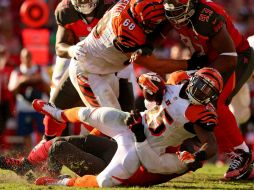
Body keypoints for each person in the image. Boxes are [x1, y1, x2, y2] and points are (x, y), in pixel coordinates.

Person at [31, 67, 221, 187]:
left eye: (207, 91)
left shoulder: (201, 115)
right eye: (200, 85)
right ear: (192, 79)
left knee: (104, 181)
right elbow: (152, 102)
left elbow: (210, 145)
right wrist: (150, 86)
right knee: (92, 113)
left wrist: (198, 156)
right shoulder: (177, 81)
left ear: (211, 99)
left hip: (139, 147)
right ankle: (57, 113)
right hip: (133, 124)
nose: (200, 92)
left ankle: (63, 182)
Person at [128, 0, 254, 180]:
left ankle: (242, 155)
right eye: (171, 10)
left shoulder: (207, 16)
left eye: (180, 10)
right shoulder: (172, 10)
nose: (175, 16)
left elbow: (229, 57)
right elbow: (164, 27)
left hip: (234, 59)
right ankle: (179, 141)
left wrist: (204, 75)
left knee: (209, 99)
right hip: (207, 60)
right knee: (179, 81)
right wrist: (148, 45)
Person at [41, 0, 119, 141]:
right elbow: (60, 47)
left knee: (113, 112)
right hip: (75, 57)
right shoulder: (66, 10)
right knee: (53, 108)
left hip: (107, 62)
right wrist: (71, 49)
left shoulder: (111, 6)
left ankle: (91, 149)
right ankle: (47, 145)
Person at [8, 48, 50, 153]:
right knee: (26, 134)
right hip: (24, 107)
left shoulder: (40, 70)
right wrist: (21, 81)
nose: (26, 59)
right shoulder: (17, 72)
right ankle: (28, 157)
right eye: (24, 57)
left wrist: (39, 79)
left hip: (40, 108)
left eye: (28, 56)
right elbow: (11, 90)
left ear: (31, 57)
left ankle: (40, 155)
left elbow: (49, 88)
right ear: (21, 58)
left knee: (42, 133)